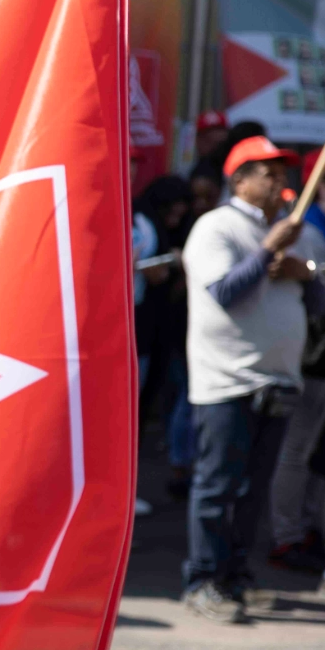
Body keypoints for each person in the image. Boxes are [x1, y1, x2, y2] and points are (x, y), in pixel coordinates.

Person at [180, 136, 325, 622]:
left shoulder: (296, 232)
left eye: (281, 172)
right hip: (228, 379)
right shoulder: (216, 227)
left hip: (278, 377)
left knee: (252, 490)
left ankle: (235, 578)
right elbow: (224, 291)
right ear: (238, 179)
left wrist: (304, 272)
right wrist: (267, 251)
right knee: (218, 486)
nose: (277, 180)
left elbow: (319, 301)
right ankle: (203, 579)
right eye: (266, 171)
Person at [270, 163, 325, 574]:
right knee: (296, 450)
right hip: (312, 359)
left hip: (319, 358)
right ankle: (287, 534)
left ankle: (304, 525)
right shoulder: (304, 229)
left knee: (313, 452)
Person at [134, 175, 197, 499]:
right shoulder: (140, 221)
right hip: (140, 330)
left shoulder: (166, 228)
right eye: (170, 213)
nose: (175, 219)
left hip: (161, 330)